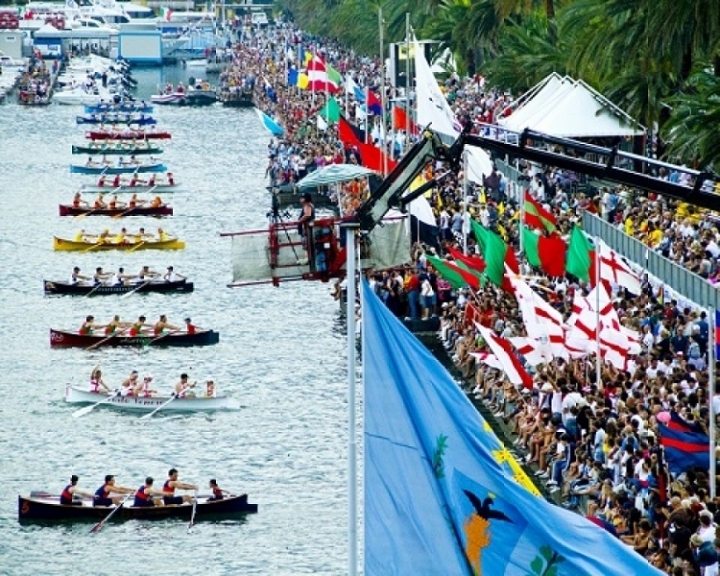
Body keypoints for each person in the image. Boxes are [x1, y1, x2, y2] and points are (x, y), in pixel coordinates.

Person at [297, 192, 315, 263]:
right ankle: (308, 257)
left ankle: (308, 258)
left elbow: (307, 215)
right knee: (306, 242)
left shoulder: (307, 205)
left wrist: (299, 221)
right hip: (308, 226)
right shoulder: (309, 205)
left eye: (302, 198)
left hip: (306, 227)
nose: (300, 199)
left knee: (306, 242)